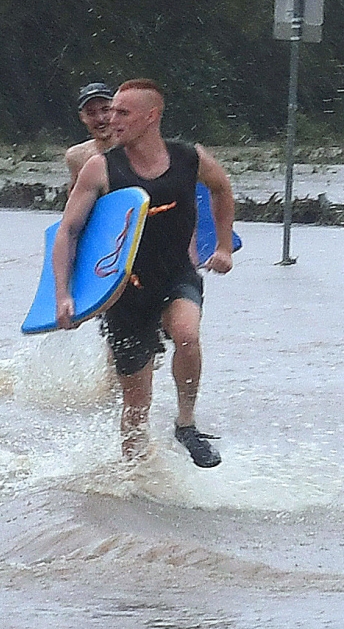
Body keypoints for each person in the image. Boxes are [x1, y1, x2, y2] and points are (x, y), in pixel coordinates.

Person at [54, 79, 234, 466]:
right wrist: (64, 293)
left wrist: (221, 246)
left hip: (176, 274)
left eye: (122, 112)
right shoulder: (97, 168)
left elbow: (221, 189)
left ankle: (186, 423)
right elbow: (68, 230)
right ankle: (132, 476)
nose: (111, 120)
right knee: (136, 402)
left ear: (151, 117)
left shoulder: (190, 158)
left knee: (187, 334)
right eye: (109, 111)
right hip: (124, 290)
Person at [65, 82, 115, 187]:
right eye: (91, 113)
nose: (100, 119)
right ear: (82, 117)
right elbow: (75, 200)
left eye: (105, 110)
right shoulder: (77, 156)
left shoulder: (136, 150)